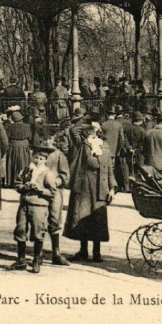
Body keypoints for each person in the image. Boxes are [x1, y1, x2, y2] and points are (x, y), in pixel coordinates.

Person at [63, 124, 116, 262]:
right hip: (85, 187)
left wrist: (112, 187)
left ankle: (97, 252)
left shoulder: (104, 146)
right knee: (83, 218)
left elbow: (110, 167)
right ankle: (83, 251)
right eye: (90, 134)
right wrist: (87, 122)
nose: (92, 136)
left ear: (99, 133)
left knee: (97, 219)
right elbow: (91, 162)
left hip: (100, 187)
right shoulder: (85, 145)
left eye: (95, 133)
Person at [7, 145, 59, 274]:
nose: (37, 160)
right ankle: (20, 260)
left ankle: (36, 260)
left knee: (37, 232)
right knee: (20, 230)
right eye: (36, 157)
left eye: (41, 158)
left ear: (45, 160)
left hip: (39, 206)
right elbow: (17, 184)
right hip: (24, 204)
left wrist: (40, 189)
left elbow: (52, 192)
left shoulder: (48, 173)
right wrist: (24, 187)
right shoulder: (26, 170)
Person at [40, 127, 71, 266]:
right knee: (38, 220)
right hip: (39, 192)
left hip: (55, 192)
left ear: (54, 140)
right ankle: (38, 253)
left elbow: (65, 175)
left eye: (50, 139)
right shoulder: (37, 154)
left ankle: (56, 253)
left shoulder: (59, 155)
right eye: (45, 139)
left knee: (55, 220)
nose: (47, 142)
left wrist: (56, 182)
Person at [102, 107, 129, 192]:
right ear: (115, 115)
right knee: (112, 169)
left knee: (104, 169)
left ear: (107, 115)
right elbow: (122, 140)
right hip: (113, 152)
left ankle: (104, 187)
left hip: (103, 151)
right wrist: (117, 151)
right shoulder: (118, 125)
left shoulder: (103, 124)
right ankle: (112, 187)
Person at [5, 111, 32, 185]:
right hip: (24, 147)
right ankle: (24, 180)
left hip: (13, 147)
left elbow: (6, 137)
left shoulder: (9, 127)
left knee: (13, 163)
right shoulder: (27, 126)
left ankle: (12, 181)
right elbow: (29, 137)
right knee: (24, 162)